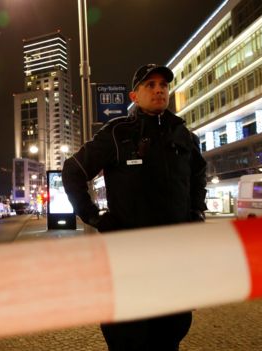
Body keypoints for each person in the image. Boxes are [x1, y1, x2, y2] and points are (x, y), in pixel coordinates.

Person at [62, 64, 207, 351]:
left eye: (163, 85)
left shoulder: (185, 136)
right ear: (134, 95)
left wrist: (196, 215)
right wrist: (94, 216)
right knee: (128, 336)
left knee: (172, 332)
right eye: (150, 85)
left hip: (173, 259)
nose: (158, 89)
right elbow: (72, 171)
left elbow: (197, 177)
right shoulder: (118, 133)